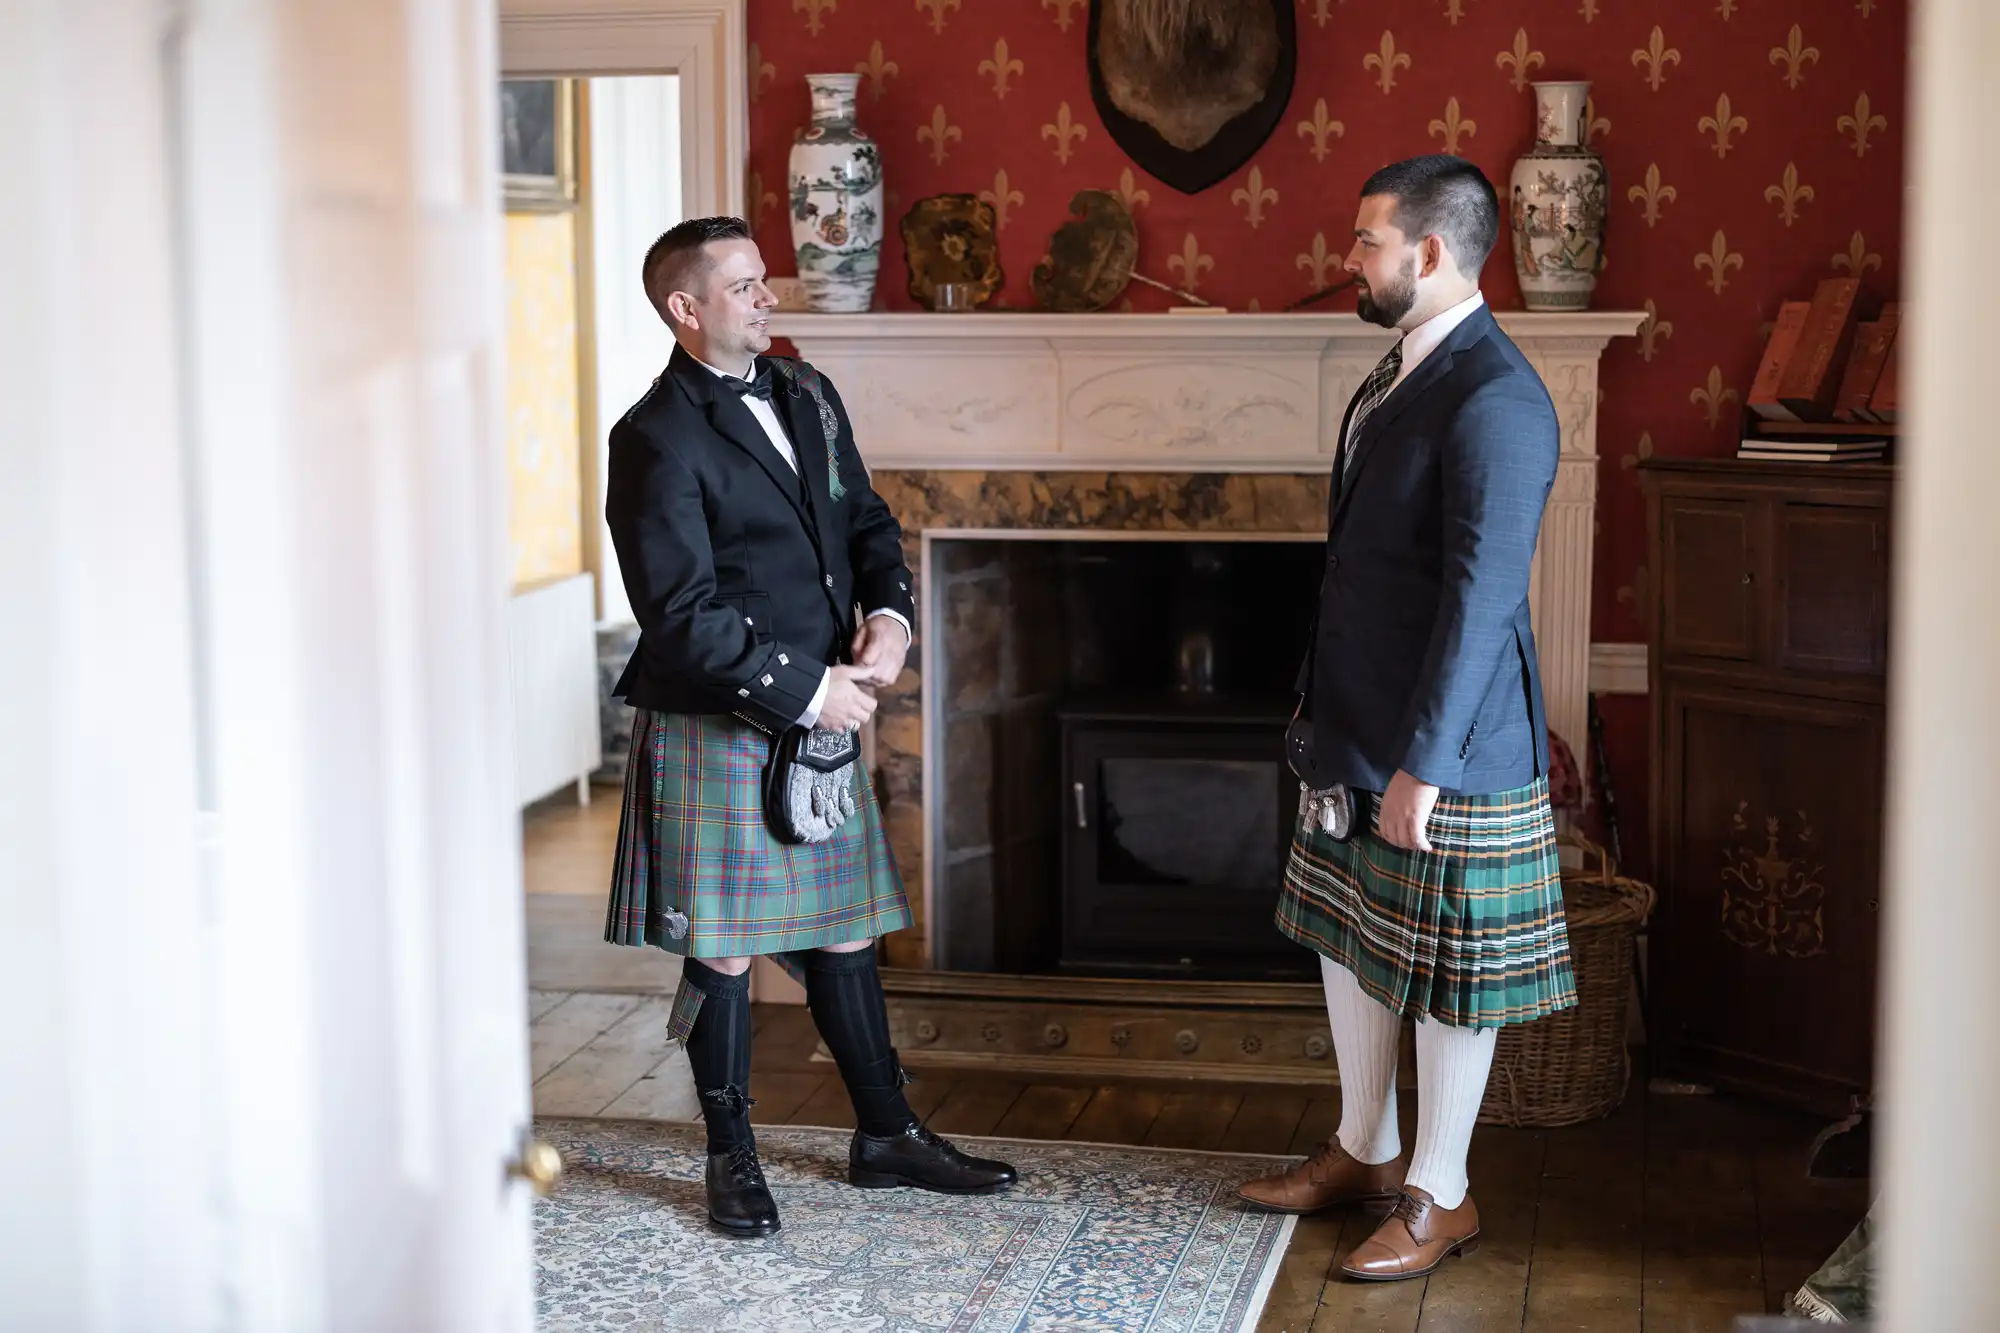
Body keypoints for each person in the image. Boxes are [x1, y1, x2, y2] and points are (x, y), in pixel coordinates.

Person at [601, 216, 1016, 1238]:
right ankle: (729, 1153)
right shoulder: (652, 436)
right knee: (721, 951)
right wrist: (805, 688)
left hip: (819, 710)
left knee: (844, 928)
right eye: (743, 286)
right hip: (720, 717)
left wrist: (892, 615)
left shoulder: (807, 391)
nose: (767, 298)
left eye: (763, 280)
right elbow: (679, 613)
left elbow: (865, 519)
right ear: (684, 308)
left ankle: (887, 1134)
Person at [1236, 156, 1578, 1282]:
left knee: (1447, 974)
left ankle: (1441, 1191)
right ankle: (1365, 1149)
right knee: (1350, 938)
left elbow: (1481, 599)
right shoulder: (1400, 369)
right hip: (1355, 719)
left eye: (1365, 240)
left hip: (1451, 747)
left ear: (1428, 252)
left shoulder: (1498, 398)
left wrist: (1423, 764)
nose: (1349, 257)